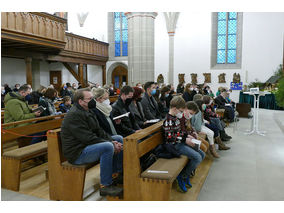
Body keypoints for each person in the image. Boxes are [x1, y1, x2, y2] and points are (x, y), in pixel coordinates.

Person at [61, 88, 123, 197]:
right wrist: (111, 143)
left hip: (86, 146)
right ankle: (105, 185)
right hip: (77, 152)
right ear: (81, 101)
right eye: (90, 99)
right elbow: (88, 138)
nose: (92, 101)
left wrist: (112, 140)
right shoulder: (74, 115)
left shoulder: (88, 110)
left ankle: (116, 173)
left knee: (118, 138)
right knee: (108, 147)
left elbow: (99, 131)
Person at [163, 96, 205, 192]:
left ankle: (186, 173)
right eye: (181, 111)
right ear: (174, 109)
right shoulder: (169, 120)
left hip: (180, 142)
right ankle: (182, 176)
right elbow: (170, 138)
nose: (181, 113)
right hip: (174, 146)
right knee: (197, 157)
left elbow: (179, 132)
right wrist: (185, 140)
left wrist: (187, 136)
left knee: (202, 154)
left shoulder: (175, 118)